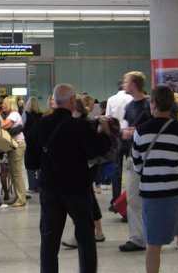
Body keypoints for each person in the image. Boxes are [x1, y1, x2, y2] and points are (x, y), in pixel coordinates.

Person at [25, 83, 112, 273]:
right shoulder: (80, 126)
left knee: (49, 239)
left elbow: (30, 163)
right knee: (85, 237)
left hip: (49, 189)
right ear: (72, 101)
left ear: (54, 101)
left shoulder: (39, 125)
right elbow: (98, 150)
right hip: (77, 189)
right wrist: (105, 133)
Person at [132, 85, 178, 273]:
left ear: (153, 105)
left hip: (152, 194)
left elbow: (137, 165)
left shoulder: (140, 131)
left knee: (153, 244)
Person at [62, 95, 111, 248]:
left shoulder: (82, 123)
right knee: (88, 197)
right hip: (88, 165)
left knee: (82, 200)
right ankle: (98, 232)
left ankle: (82, 233)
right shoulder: (87, 121)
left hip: (85, 165)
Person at [119, 71, 152, 252]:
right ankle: (138, 237)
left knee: (148, 198)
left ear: (134, 84)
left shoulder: (149, 105)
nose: (124, 84)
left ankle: (144, 236)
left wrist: (136, 131)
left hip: (149, 155)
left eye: (126, 81)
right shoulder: (130, 105)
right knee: (133, 198)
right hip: (133, 154)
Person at [0, 96, 27, 207]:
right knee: (13, 173)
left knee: (16, 173)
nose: (2, 105)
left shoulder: (13, 115)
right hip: (14, 146)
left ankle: (21, 199)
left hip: (17, 146)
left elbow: (4, 126)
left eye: (5, 104)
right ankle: (18, 197)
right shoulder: (11, 115)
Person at [105, 79, 132, 207]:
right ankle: (131, 198)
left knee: (116, 169)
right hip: (130, 134)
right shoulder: (132, 99)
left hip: (116, 136)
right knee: (132, 168)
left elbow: (108, 119)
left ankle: (115, 200)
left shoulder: (111, 99)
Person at [23, 96, 43, 193]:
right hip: (39, 141)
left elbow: (22, 126)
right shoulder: (41, 115)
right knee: (39, 163)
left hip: (28, 141)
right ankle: (39, 185)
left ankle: (32, 186)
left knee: (29, 163)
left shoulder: (26, 114)